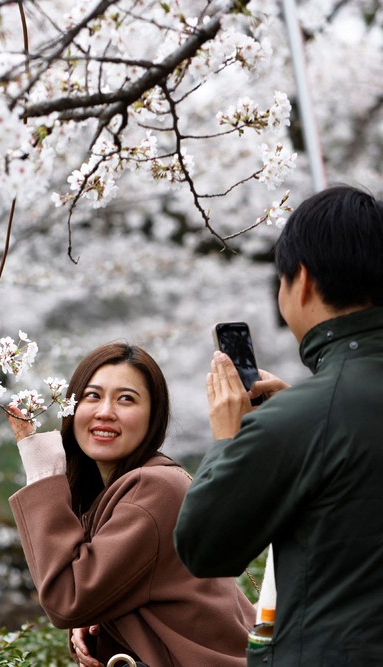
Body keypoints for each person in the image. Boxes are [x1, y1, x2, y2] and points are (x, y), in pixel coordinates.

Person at [173, 184, 383, 665]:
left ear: (302, 281)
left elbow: (204, 547)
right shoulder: (308, 415)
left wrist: (230, 438)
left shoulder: (301, 418)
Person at [8, 342, 253, 667]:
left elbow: (67, 599)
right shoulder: (122, 490)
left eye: (126, 399)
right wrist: (94, 618)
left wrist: (43, 470)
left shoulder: (154, 488)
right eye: (93, 396)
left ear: (153, 417)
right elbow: (101, 594)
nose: (105, 411)